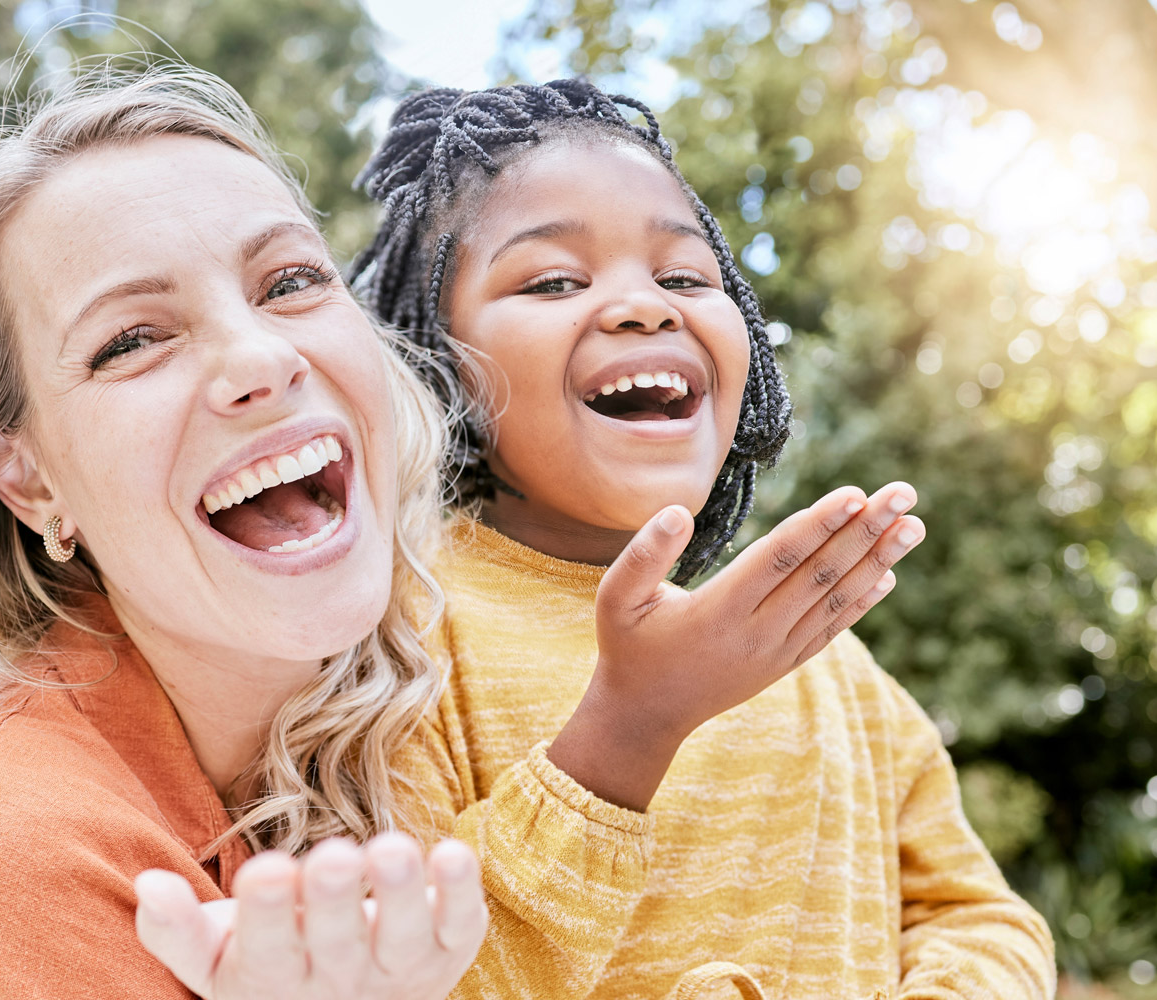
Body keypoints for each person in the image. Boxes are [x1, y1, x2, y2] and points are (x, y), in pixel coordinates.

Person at [0, 66, 489, 1000]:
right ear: (30, 479)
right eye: (131, 340)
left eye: (290, 281)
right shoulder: (21, 856)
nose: (261, 358)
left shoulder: (440, 693)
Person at [353, 79, 1056, 998]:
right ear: (433, 361)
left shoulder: (821, 659)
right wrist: (625, 734)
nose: (645, 307)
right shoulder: (394, 632)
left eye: (685, 276)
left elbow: (976, 915)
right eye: (554, 280)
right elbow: (393, 977)